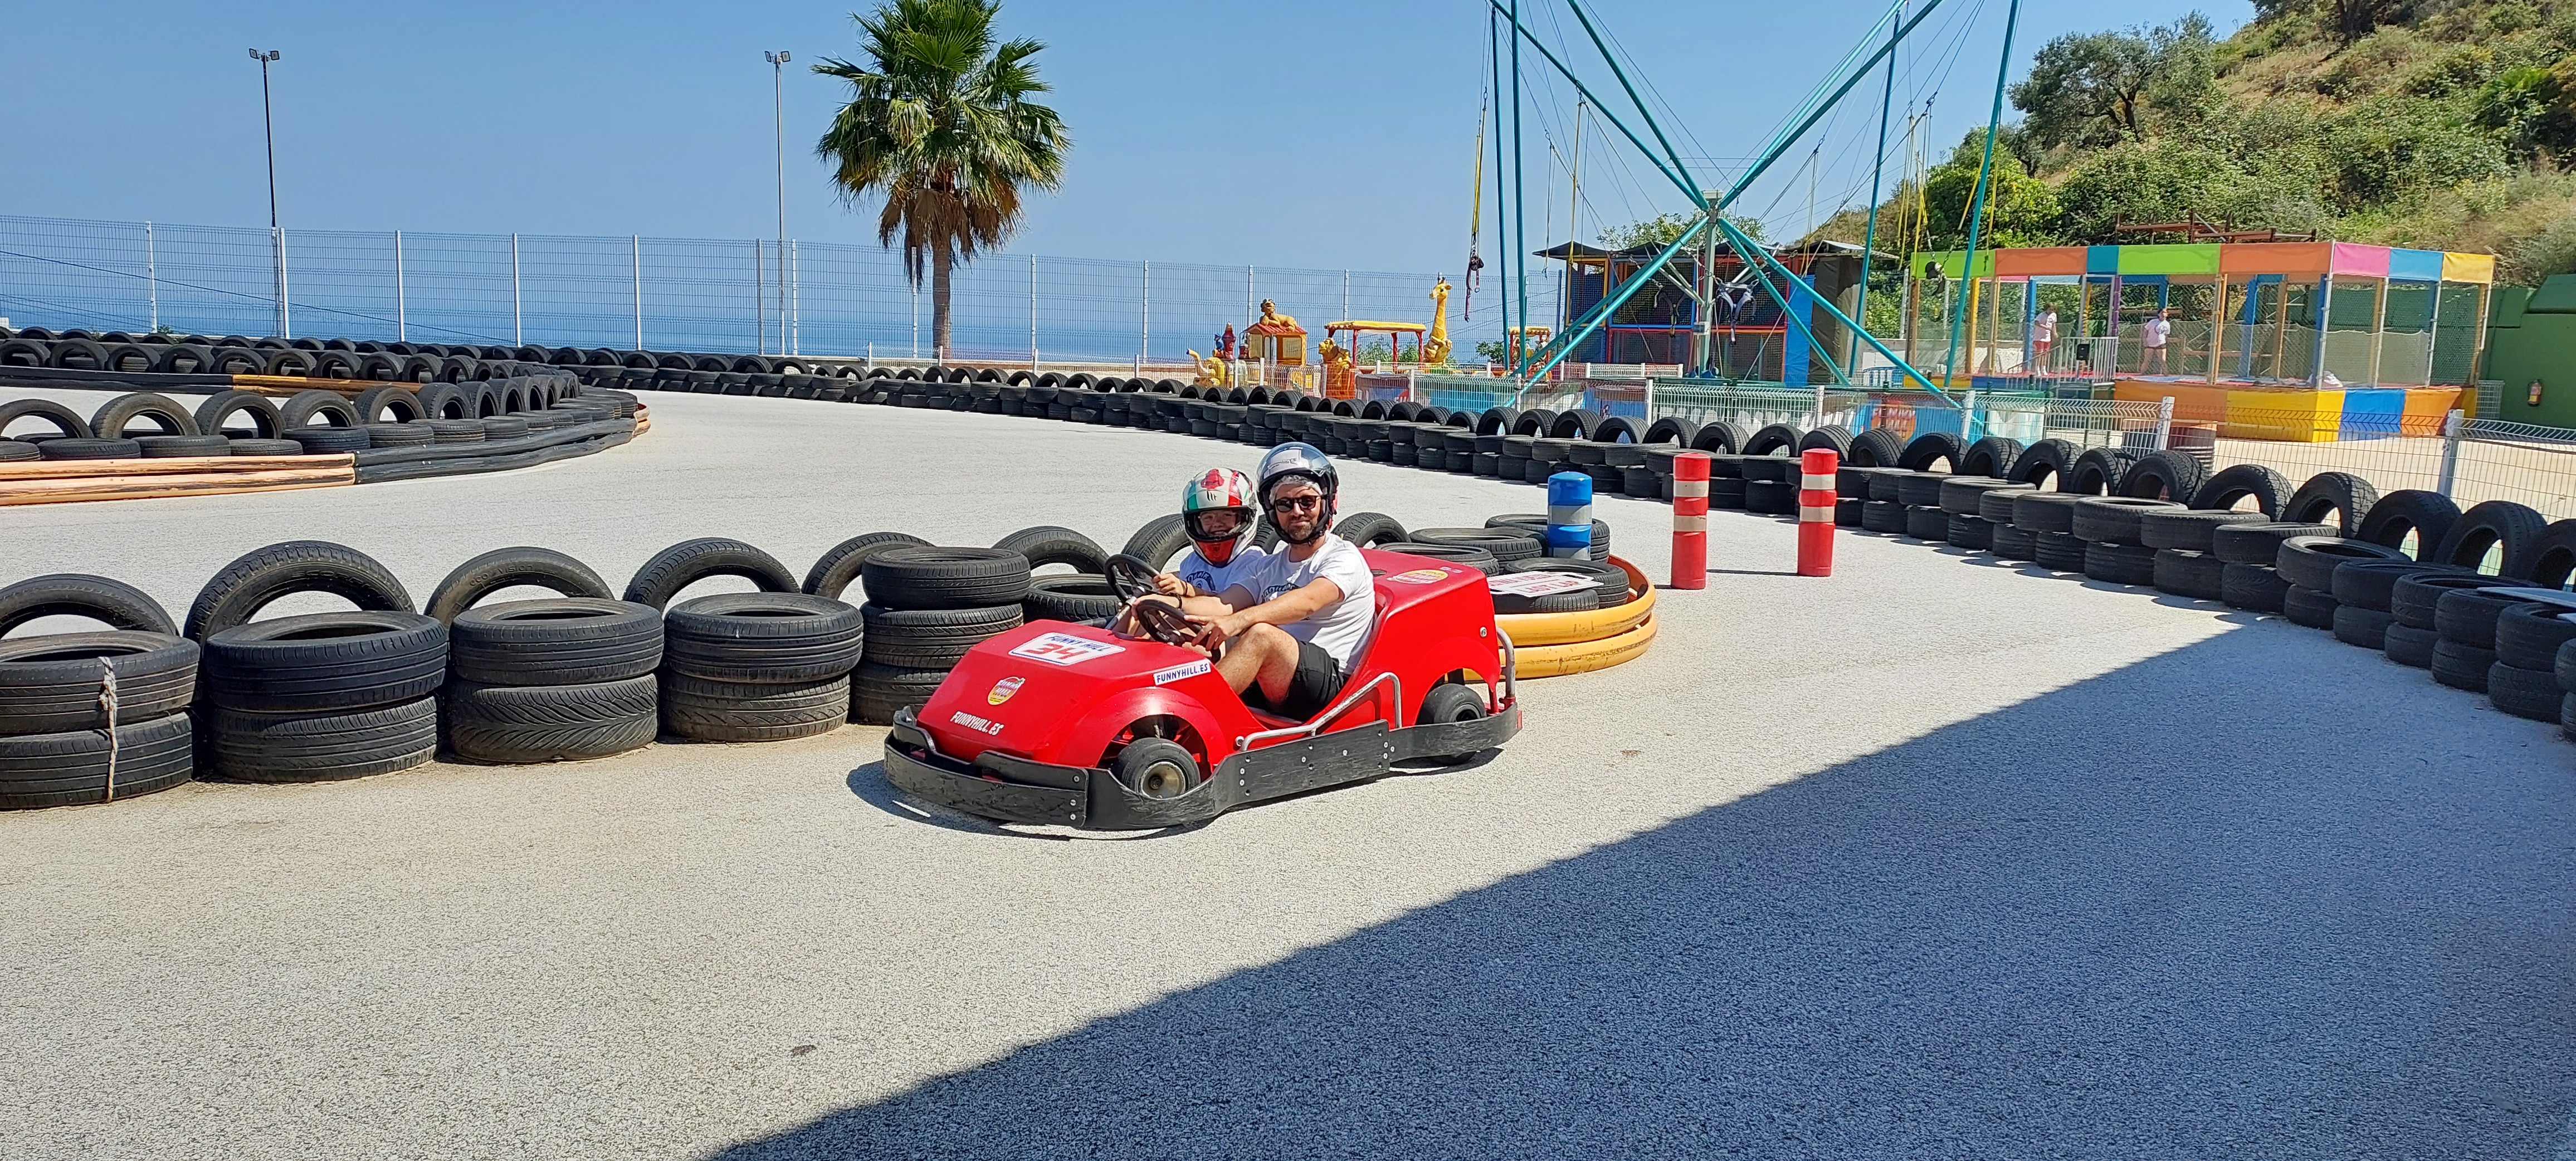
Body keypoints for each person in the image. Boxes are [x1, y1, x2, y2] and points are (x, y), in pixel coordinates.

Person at [1179, 443, 1375, 720]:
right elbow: (1224, 604)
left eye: (1307, 501)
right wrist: (1167, 604)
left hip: (1330, 684)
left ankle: (1185, 720)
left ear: (1327, 502)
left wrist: (1239, 621)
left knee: (1261, 635)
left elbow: (1309, 601)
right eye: (1285, 504)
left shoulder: (1343, 557)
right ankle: (1148, 717)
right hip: (1277, 677)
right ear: (1273, 511)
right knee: (1192, 644)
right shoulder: (1267, 566)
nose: (1296, 511)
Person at [2141, 308, 2172, 374]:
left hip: (2161, 344)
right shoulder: (2153, 322)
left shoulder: (2167, 324)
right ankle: (2141, 374)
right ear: (2159, 314)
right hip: (2150, 344)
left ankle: (2166, 375)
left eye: (2165, 313)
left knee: (2163, 361)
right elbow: (2146, 330)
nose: (2163, 314)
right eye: (2162, 312)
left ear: (2167, 314)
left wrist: (2165, 342)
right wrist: (2145, 340)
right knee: (2147, 361)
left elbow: (2166, 335)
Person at [2031, 306, 2057, 372]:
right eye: (2050, 310)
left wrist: (2055, 333)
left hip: (2047, 337)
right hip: (2039, 338)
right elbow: (2037, 323)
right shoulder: (2042, 315)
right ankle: (2037, 368)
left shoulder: (2054, 315)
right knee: (2039, 353)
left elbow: (2054, 325)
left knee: (2045, 353)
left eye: (2053, 310)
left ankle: (2043, 368)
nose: (2052, 311)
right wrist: (2046, 327)